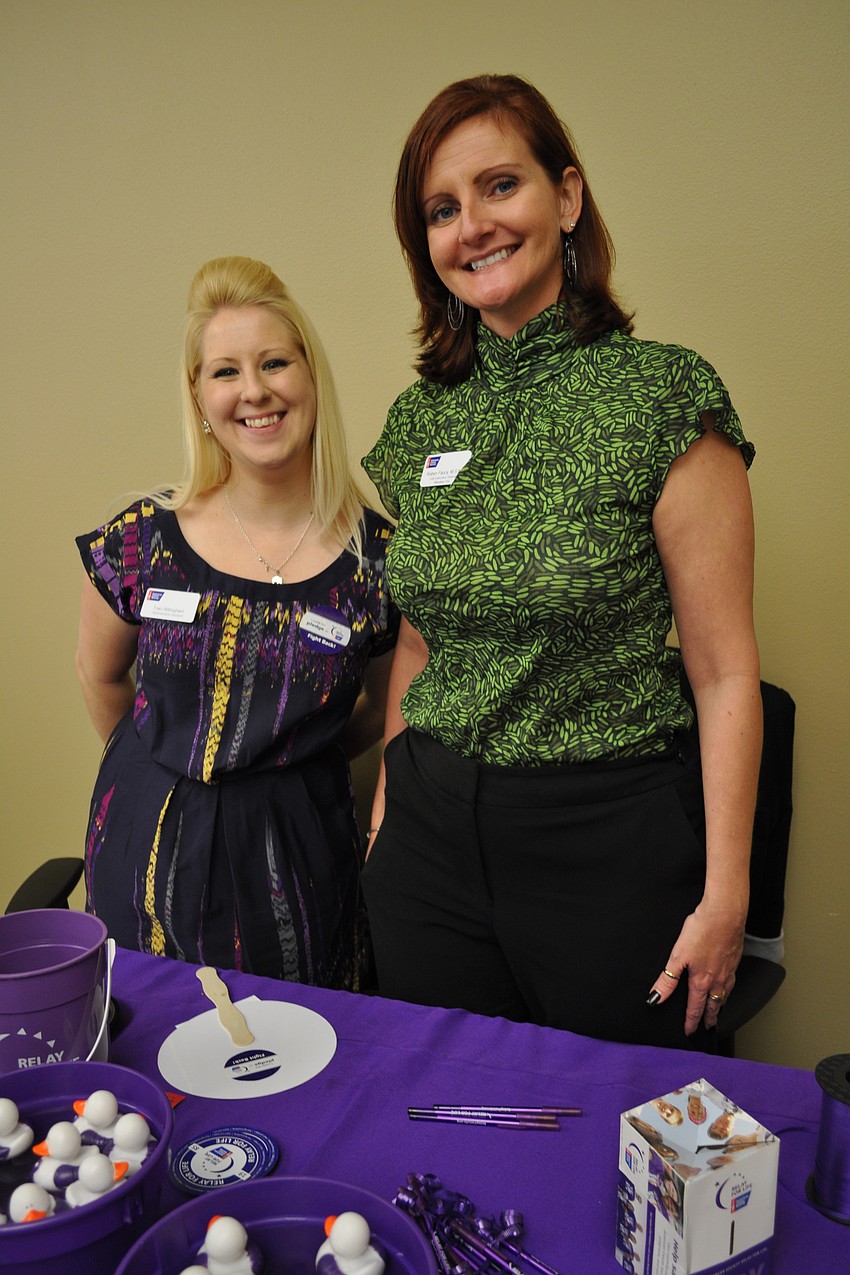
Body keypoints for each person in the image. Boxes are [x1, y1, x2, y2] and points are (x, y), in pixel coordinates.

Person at [361, 74, 761, 1049]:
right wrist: (382, 818)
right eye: (441, 210)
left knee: (628, 1141)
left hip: (605, 842)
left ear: (567, 198)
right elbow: (418, 642)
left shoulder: (663, 394)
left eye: (500, 186)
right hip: (428, 842)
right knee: (442, 1126)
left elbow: (722, 673)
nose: (473, 226)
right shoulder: (420, 422)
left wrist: (724, 897)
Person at [76, 256, 398, 987]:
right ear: (198, 397)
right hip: (144, 846)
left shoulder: (375, 561)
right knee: (148, 1052)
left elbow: (383, 705)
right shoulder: (143, 538)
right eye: (225, 372)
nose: (254, 390)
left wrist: (283, 763)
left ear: (311, 377)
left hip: (297, 861)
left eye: (274, 362)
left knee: (297, 1055)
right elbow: (98, 673)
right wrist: (172, 766)